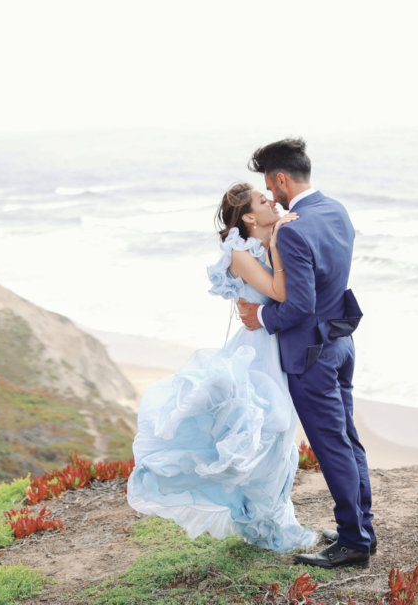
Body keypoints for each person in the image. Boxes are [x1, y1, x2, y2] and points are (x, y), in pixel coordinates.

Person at [126, 183, 316, 553]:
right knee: (266, 437)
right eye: (263, 201)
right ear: (247, 217)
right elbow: (280, 293)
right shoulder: (239, 253)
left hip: (277, 346)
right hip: (258, 353)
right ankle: (266, 529)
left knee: (281, 441)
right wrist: (278, 243)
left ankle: (276, 523)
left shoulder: (265, 242)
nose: (271, 201)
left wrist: (279, 238)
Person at [237, 137, 374, 569]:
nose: (271, 195)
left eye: (268, 186)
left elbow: (298, 305)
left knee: (332, 446)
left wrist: (262, 316)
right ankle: (362, 530)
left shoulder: (293, 229)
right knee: (348, 440)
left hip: (310, 354)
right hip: (342, 343)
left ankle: (353, 542)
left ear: (280, 179)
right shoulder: (336, 210)